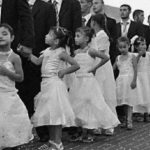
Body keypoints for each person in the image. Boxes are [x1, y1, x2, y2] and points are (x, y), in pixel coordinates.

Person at [27, 26, 79, 150]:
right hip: (45, 85)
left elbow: (76, 65)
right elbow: (37, 62)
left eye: (49, 35)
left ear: (56, 41)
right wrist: (28, 54)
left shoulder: (60, 52)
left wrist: (64, 71)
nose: (46, 36)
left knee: (56, 114)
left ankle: (57, 142)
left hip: (55, 85)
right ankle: (52, 141)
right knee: (49, 115)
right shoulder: (46, 51)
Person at [69, 26, 120, 142]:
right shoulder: (76, 52)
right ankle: (82, 132)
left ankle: (90, 132)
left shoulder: (90, 50)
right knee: (79, 105)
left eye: (78, 36)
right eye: (75, 36)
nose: (75, 39)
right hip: (78, 81)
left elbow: (106, 58)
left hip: (88, 81)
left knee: (89, 105)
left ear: (86, 39)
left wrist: (94, 68)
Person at [0, 23, 33, 150]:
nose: (1, 36)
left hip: (9, 95)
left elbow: (20, 77)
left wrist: (6, 72)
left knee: (9, 126)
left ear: (12, 38)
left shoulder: (14, 57)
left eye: (4, 34)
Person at [1, 0, 35, 117]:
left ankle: (20, 117)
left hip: (12, 45)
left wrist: (27, 43)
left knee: (18, 86)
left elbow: (26, 18)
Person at [29, 0, 57, 142]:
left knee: (40, 97)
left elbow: (51, 32)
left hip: (39, 56)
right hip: (17, 56)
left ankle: (43, 131)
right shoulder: (11, 4)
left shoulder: (47, 7)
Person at [90, 14, 118, 135]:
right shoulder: (96, 35)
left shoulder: (102, 35)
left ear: (94, 22)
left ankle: (109, 124)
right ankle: (98, 122)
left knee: (105, 93)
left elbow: (101, 54)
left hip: (101, 66)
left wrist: (94, 67)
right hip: (97, 65)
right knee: (97, 94)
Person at [113, 37, 141, 130]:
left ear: (129, 46)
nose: (122, 49)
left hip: (129, 80)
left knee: (130, 101)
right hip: (121, 81)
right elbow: (113, 68)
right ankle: (125, 119)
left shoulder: (132, 56)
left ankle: (129, 121)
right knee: (123, 101)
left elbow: (136, 69)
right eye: (120, 47)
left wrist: (134, 80)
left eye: (124, 47)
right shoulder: (118, 58)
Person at [92, 0, 118, 65]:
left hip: (106, 58)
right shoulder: (90, 21)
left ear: (102, 4)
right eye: (93, 4)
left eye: (96, 3)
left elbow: (114, 42)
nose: (94, 6)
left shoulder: (111, 22)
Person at [133, 37, 150, 122]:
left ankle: (147, 112)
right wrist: (139, 54)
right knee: (140, 94)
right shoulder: (135, 55)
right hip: (139, 77)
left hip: (146, 76)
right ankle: (140, 112)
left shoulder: (148, 54)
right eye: (142, 44)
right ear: (136, 47)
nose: (144, 46)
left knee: (147, 93)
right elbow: (134, 64)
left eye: (145, 44)